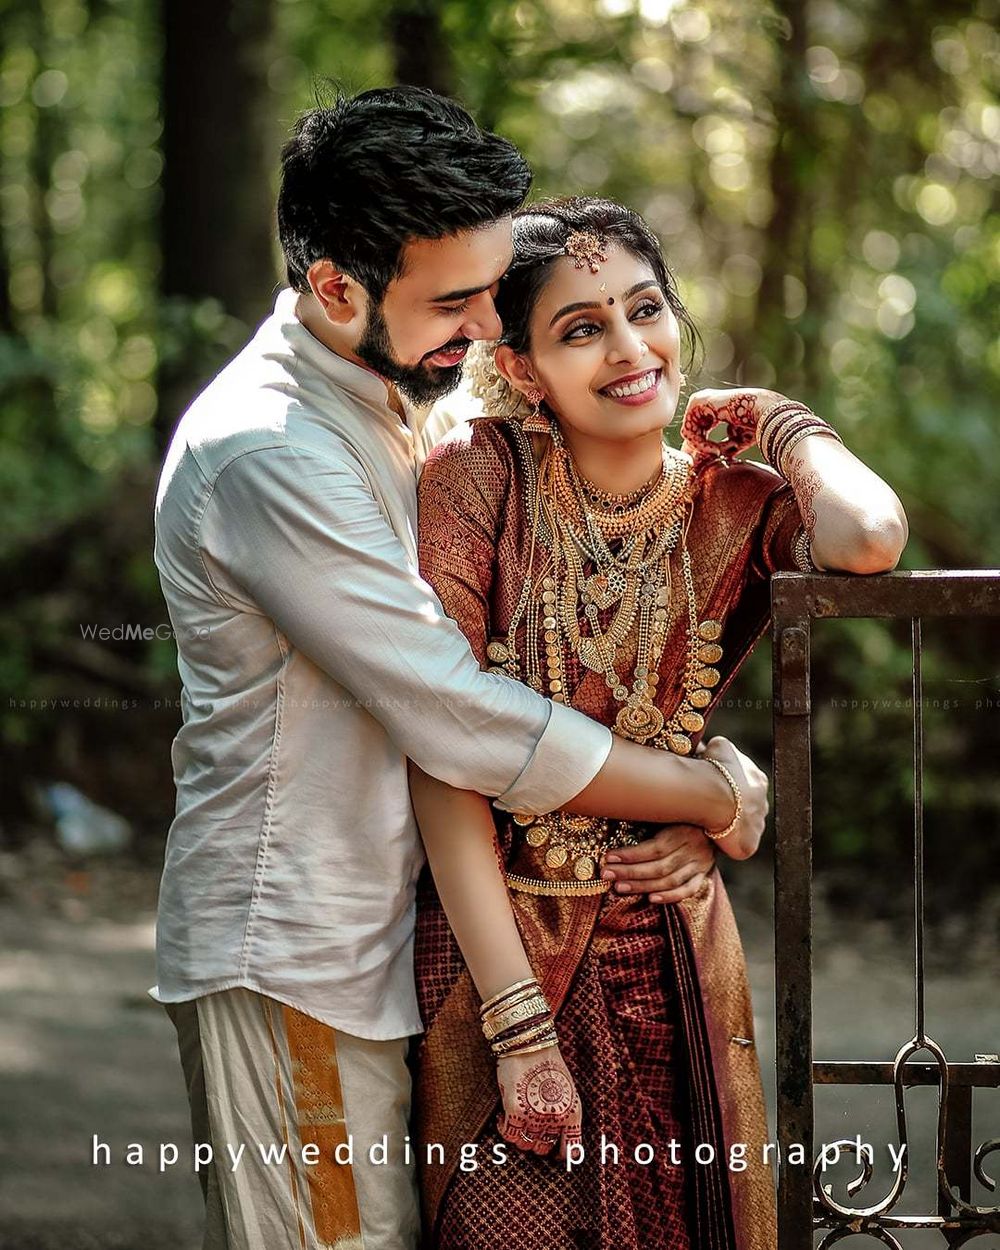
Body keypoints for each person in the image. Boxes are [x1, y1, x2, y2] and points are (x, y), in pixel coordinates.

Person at [151, 90, 779, 1250]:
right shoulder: (271, 451)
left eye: (494, 291)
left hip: (393, 947)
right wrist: (709, 791)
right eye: (454, 301)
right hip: (301, 957)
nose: (490, 327)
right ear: (336, 287)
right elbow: (458, 713)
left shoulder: (392, 407)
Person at [410, 196, 908, 1250]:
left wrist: (778, 419)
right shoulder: (476, 482)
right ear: (520, 368)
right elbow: (442, 752)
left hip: (676, 945)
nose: (629, 349)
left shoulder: (734, 502)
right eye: (581, 328)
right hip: (498, 947)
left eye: (646, 309)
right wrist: (518, 1028)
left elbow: (867, 539)